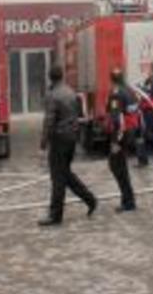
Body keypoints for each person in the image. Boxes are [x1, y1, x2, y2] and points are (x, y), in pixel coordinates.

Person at [38, 65, 97, 227]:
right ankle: (90, 199)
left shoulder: (52, 95)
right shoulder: (70, 92)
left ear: (50, 78)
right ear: (62, 76)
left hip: (58, 140)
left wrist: (43, 145)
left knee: (58, 178)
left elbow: (49, 122)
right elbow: (77, 116)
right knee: (65, 174)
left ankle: (55, 215)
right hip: (71, 139)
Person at [106, 68, 137, 212]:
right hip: (130, 132)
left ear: (111, 79)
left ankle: (128, 201)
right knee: (120, 166)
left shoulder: (116, 93)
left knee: (116, 166)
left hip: (121, 134)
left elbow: (116, 118)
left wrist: (115, 141)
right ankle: (127, 199)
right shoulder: (130, 90)